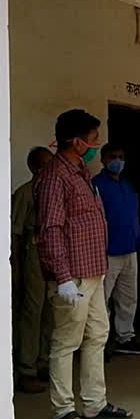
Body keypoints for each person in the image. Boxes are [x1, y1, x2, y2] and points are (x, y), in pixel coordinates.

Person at [36, 109, 132, 419]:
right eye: (93, 139)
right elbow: (50, 229)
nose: (97, 144)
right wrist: (62, 278)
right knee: (65, 343)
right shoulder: (53, 177)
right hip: (72, 277)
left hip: (93, 271)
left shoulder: (81, 172)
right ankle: (62, 411)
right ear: (75, 141)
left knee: (97, 336)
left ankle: (94, 403)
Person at [92, 143, 140, 356]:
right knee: (102, 299)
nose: (117, 160)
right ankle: (100, 342)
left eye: (121, 156)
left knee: (128, 298)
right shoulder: (96, 185)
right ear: (103, 159)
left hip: (130, 249)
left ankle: (125, 337)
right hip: (106, 252)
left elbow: (133, 219)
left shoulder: (127, 185)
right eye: (112, 156)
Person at [12, 146, 53, 394]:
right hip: (33, 255)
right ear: (35, 168)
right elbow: (15, 235)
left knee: (50, 311)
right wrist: (15, 267)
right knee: (32, 312)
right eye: (46, 164)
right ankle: (26, 369)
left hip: (52, 255)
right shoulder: (26, 193)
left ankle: (43, 361)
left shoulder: (52, 191)